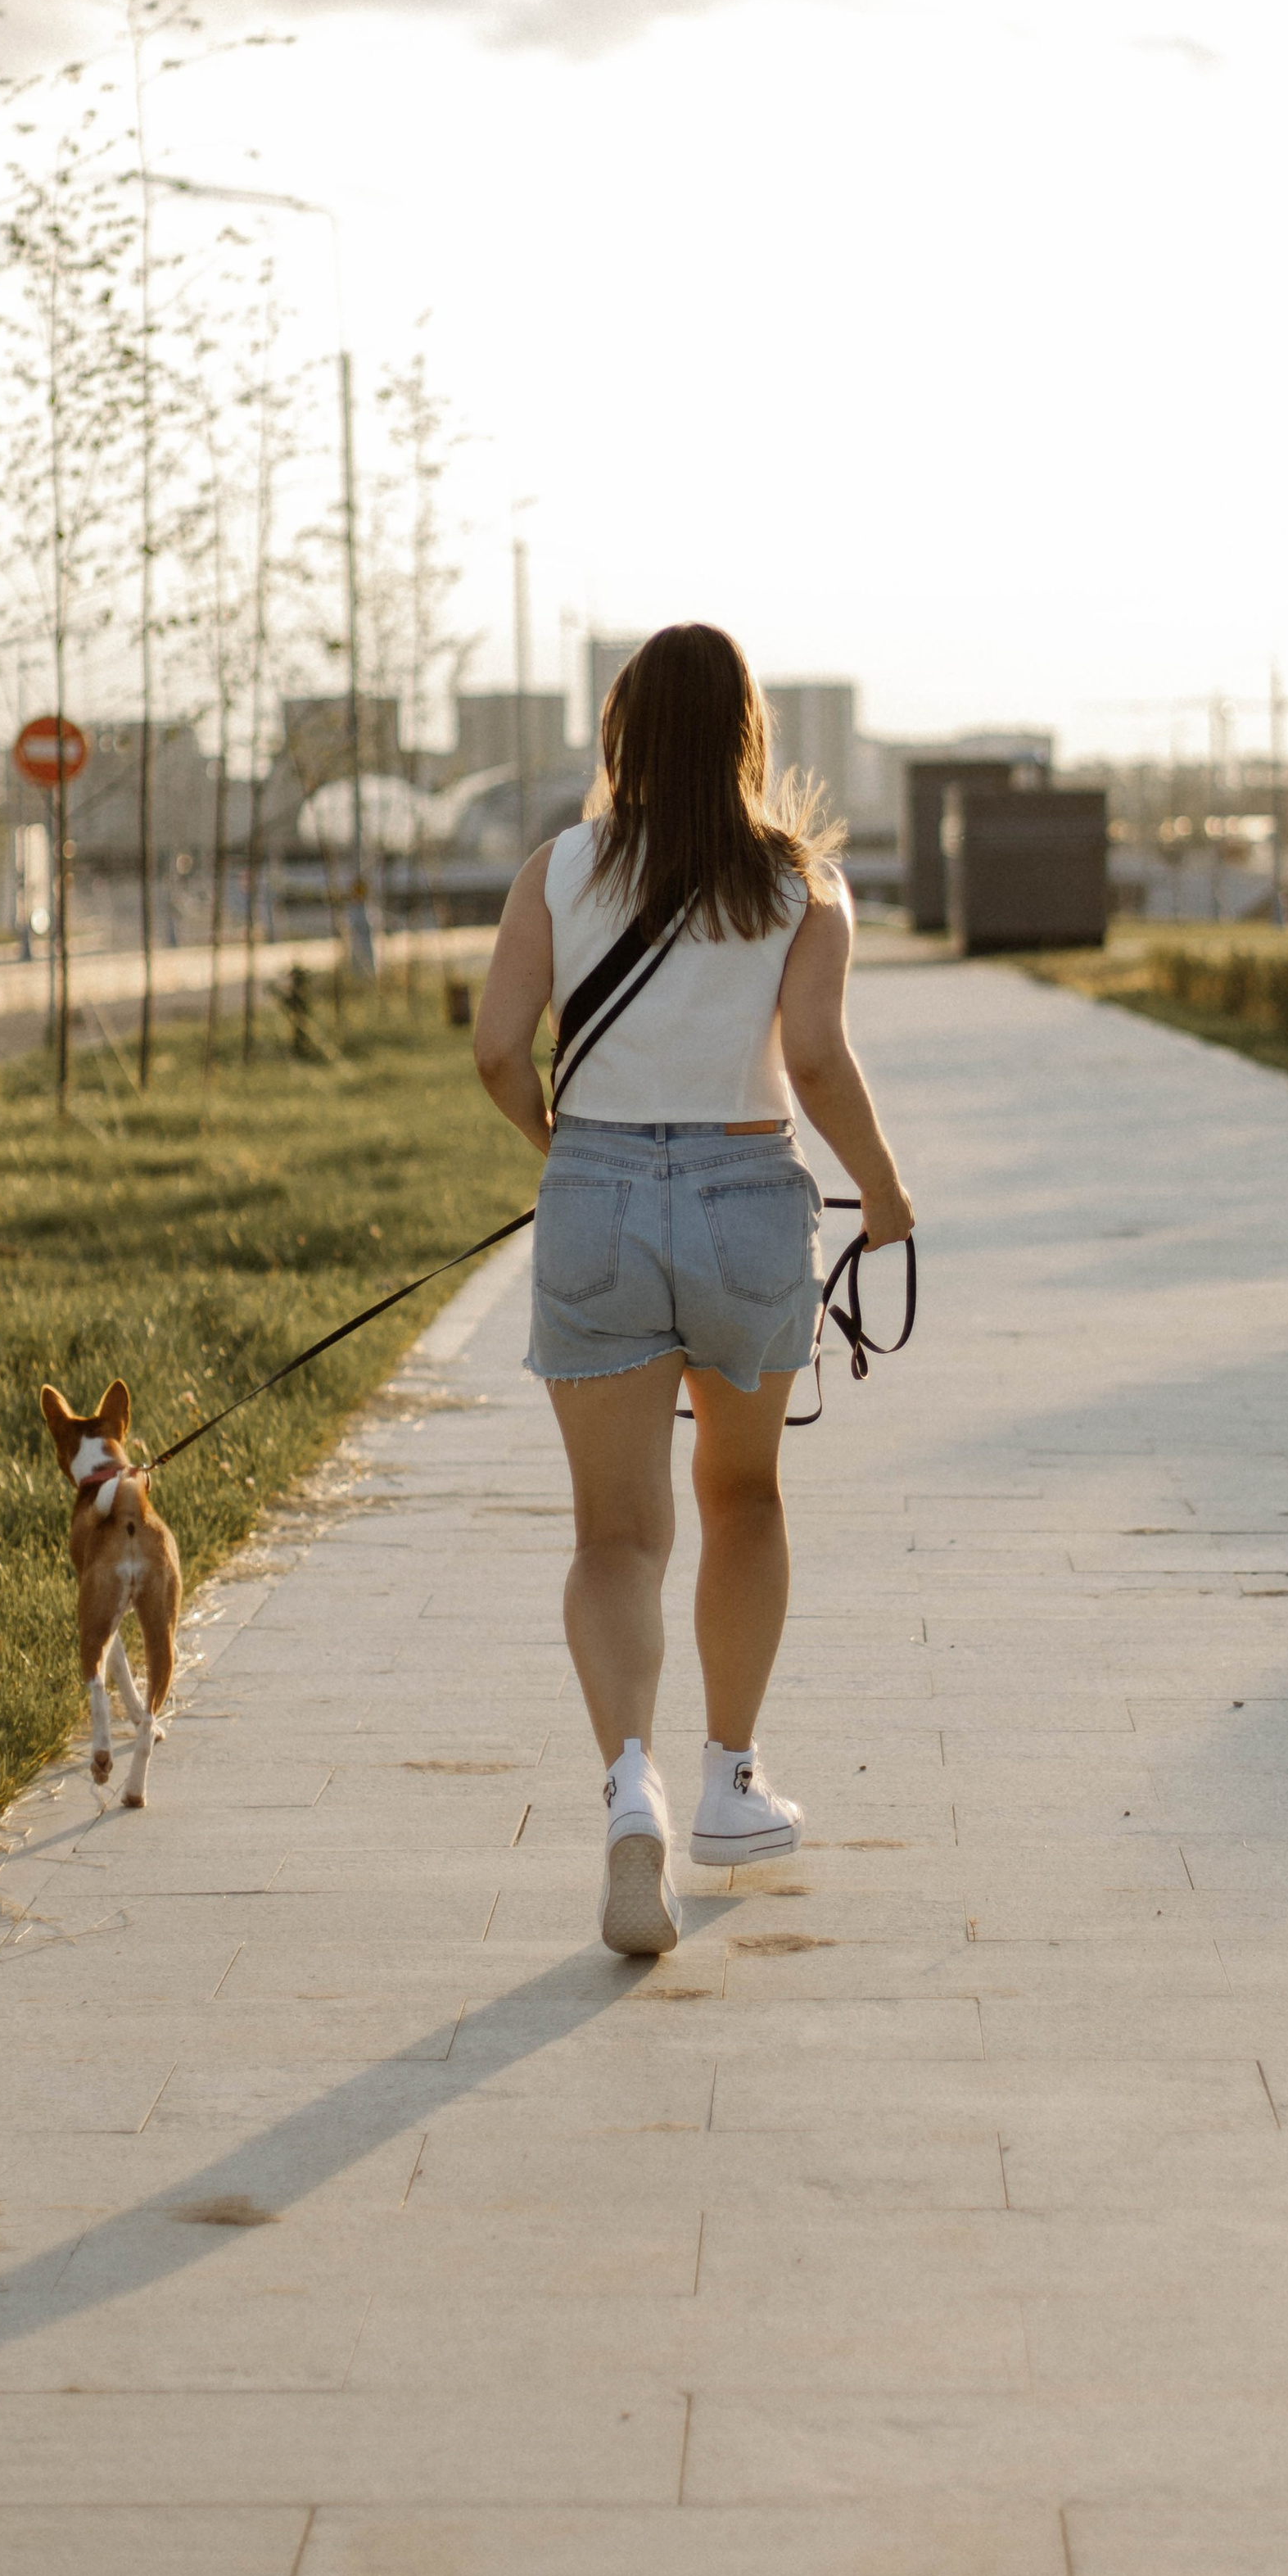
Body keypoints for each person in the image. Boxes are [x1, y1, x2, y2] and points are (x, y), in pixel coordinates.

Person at [474, 623, 915, 1956]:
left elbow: (499, 1047)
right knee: (745, 1496)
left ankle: (629, 1790)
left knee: (616, 1537)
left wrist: (573, 1155)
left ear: (621, 733)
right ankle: (731, 1779)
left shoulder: (557, 870)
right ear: (746, 737)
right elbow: (819, 1063)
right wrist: (886, 1199)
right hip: (742, 1200)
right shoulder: (799, 884)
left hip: (600, 1198)